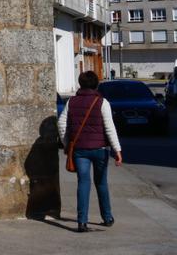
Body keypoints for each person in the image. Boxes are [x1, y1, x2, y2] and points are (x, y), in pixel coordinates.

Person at [58, 70, 123, 233]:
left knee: (83, 183)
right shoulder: (102, 102)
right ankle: (107, 218)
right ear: (96, 84)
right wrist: (117, 150)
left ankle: (82, 222)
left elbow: (61, 124)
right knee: (101, 183)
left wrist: (67, 144)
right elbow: (109, 128)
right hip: (100, 150)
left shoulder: (71, 102)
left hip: (80, 150)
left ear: (80, 84)